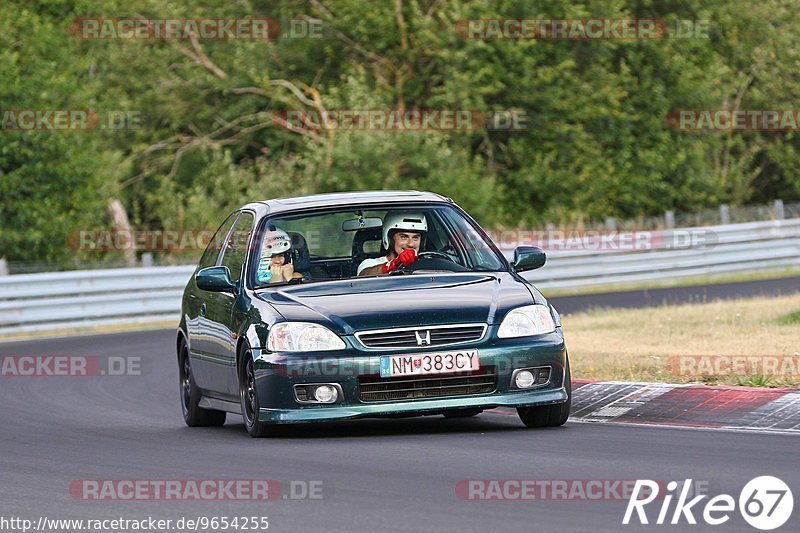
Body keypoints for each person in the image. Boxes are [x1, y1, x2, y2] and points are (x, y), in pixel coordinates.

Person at [357, 212, 427, 276]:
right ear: (390, 239)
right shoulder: (369, 263)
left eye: (415, 237)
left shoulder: (425, 265)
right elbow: (364, 275)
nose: (411, 244)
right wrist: (393, 264)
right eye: (404, 237)